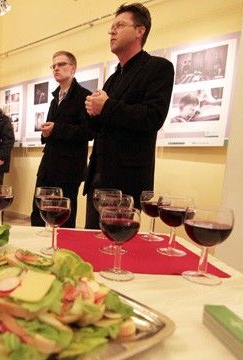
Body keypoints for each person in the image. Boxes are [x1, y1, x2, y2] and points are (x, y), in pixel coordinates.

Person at [84, 3, 175, 229]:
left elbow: (153, 116)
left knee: (119, 243)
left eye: (119, 25)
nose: (112, 31)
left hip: (126, 181)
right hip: (98, 179)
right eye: (111, 27)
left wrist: (106, 107)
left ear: (139, 31)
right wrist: (91, 112)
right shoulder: (113, 79)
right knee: (92, 240)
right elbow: (100, 128)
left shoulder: (158, 67)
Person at [30, 51, 93, 228]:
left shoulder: (84, 96)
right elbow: (50, 130)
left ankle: (63, 245)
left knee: (64, 217)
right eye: (54, 65)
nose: (56, 68)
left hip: (69, 168)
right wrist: (45, 133)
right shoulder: (54, 99)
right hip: (48, 165)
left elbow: (88, 132)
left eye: (61, 64)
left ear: (73, 68)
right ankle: (36, 244)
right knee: (38, 213)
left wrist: (56, 129)